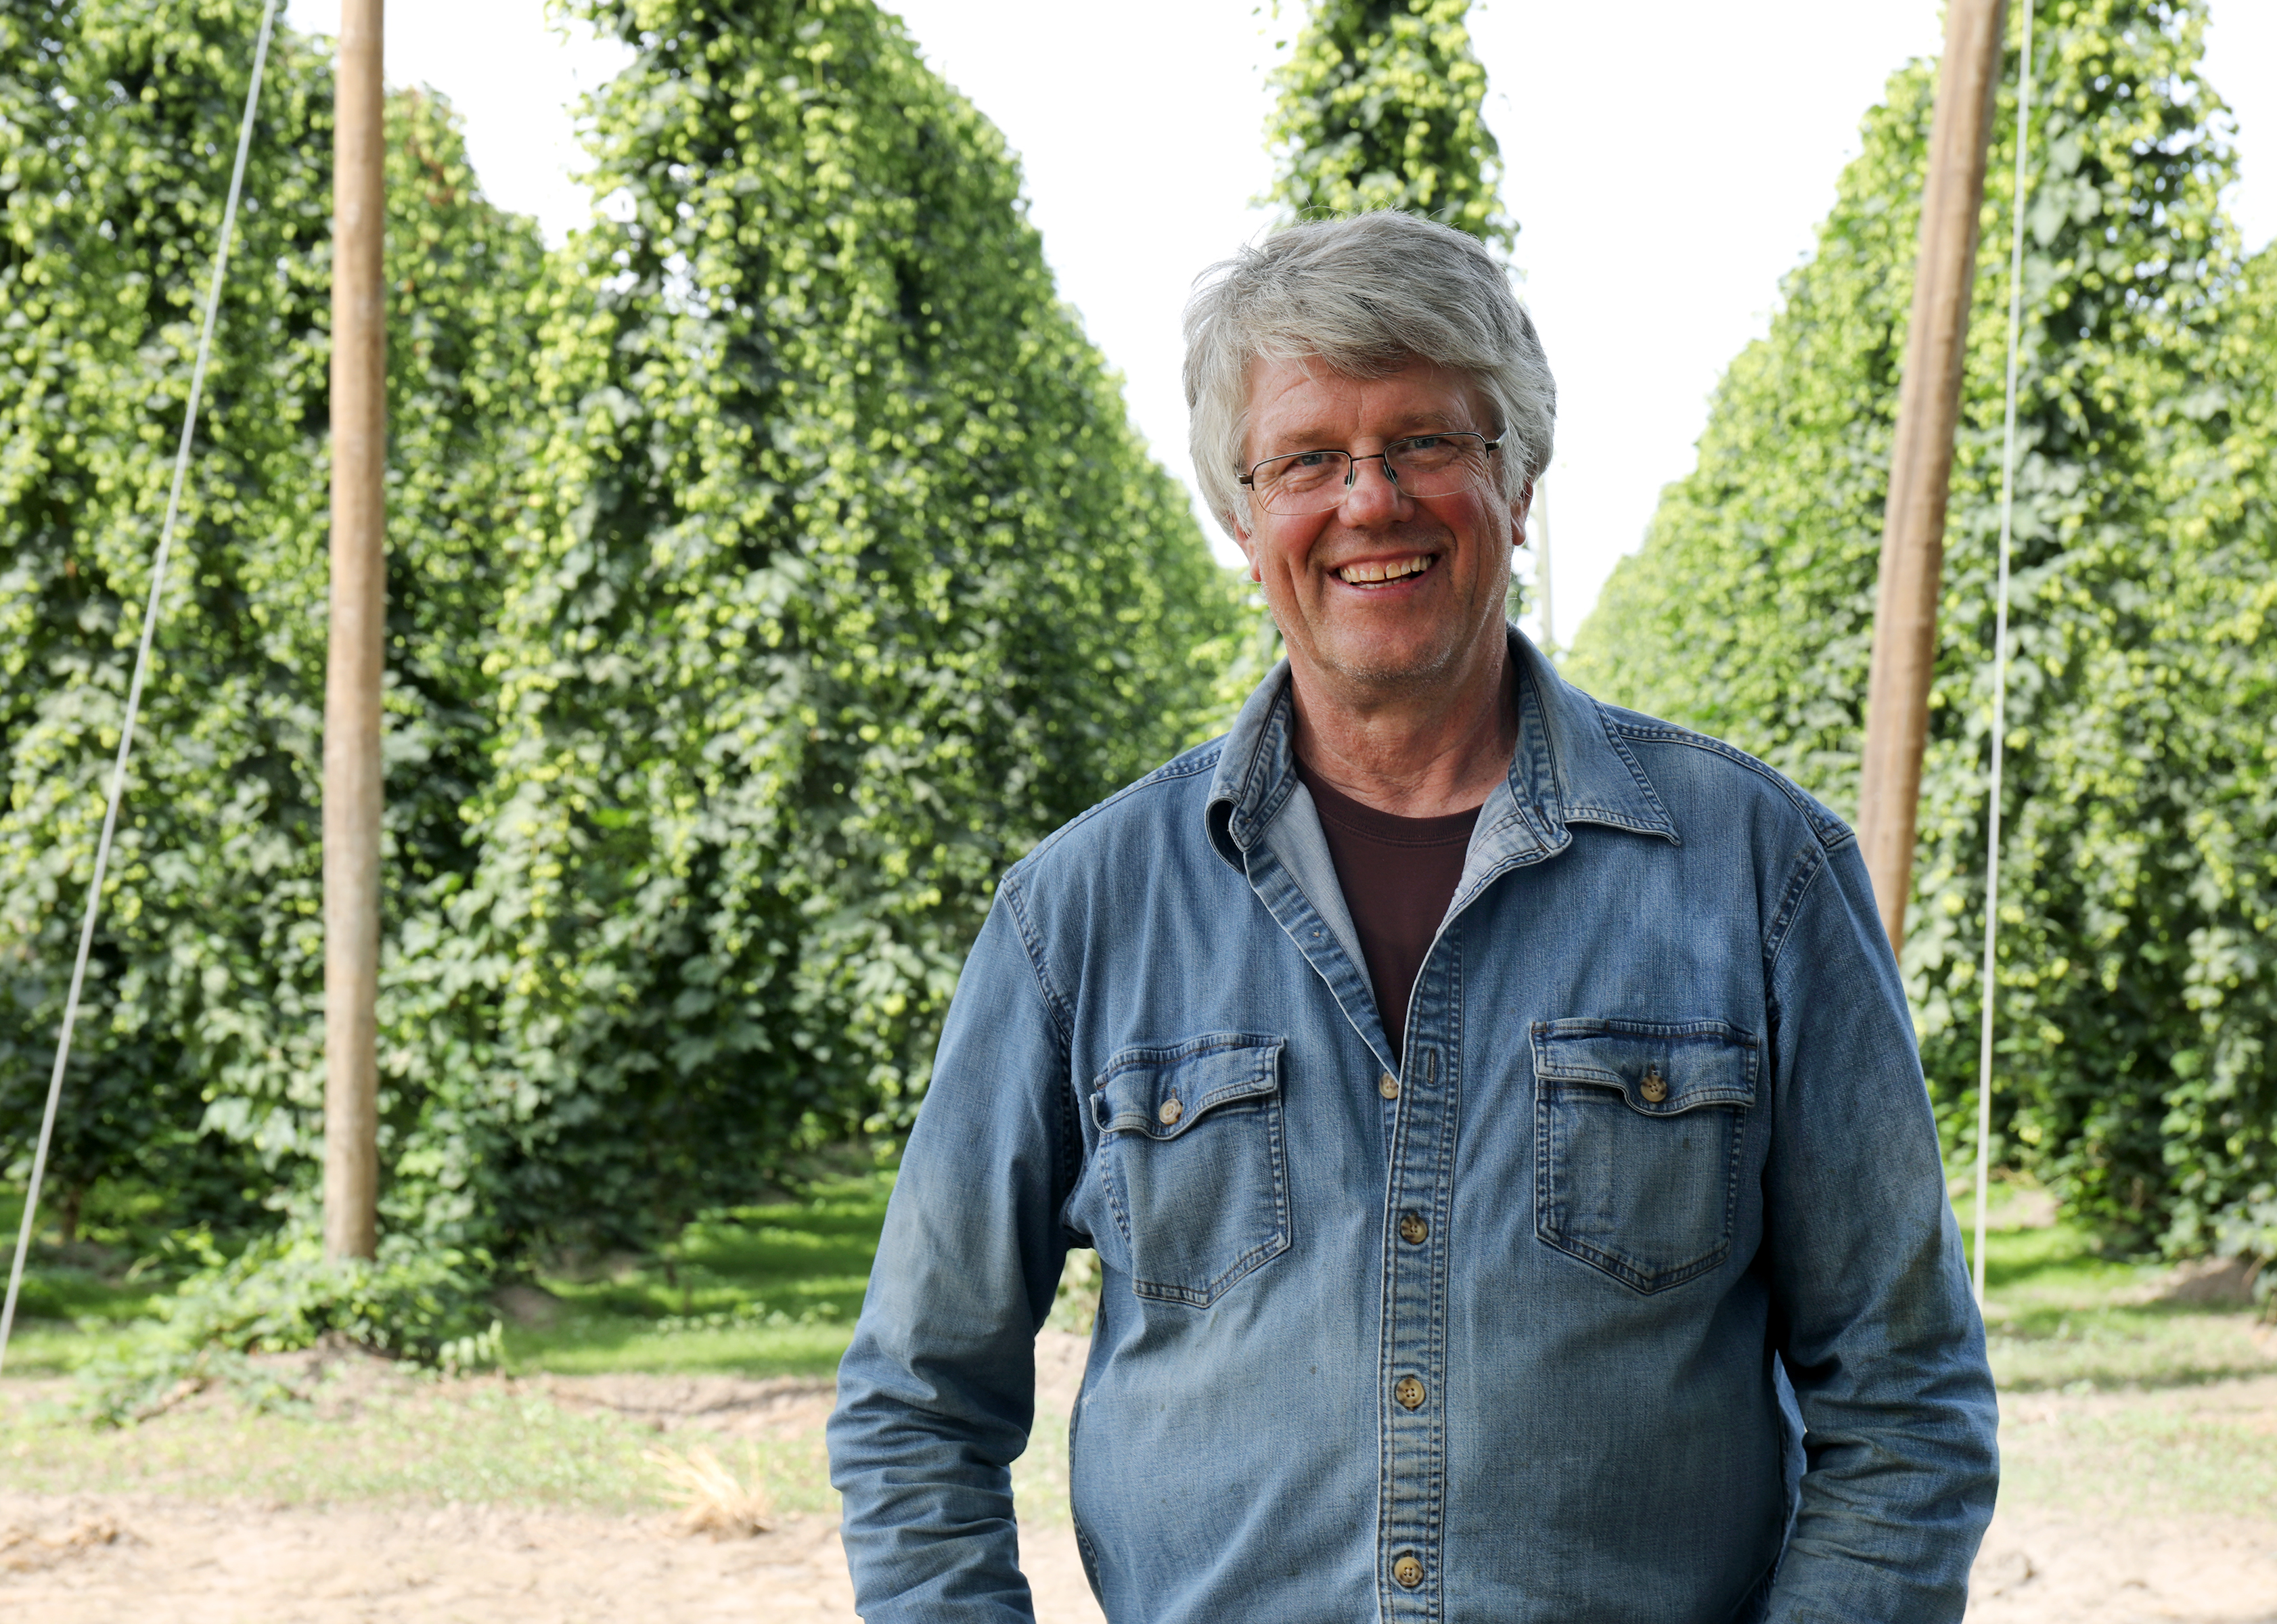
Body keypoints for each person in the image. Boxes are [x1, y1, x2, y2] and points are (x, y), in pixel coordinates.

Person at [827, 210, 1997, 1623]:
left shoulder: (1761, 873)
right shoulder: (1080, 914)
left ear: (1518, 481)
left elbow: (1907, 1394)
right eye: (1308, 458)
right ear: (1242, 514)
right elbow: (916, 1401)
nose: (1370, 500)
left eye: (1429, 443)